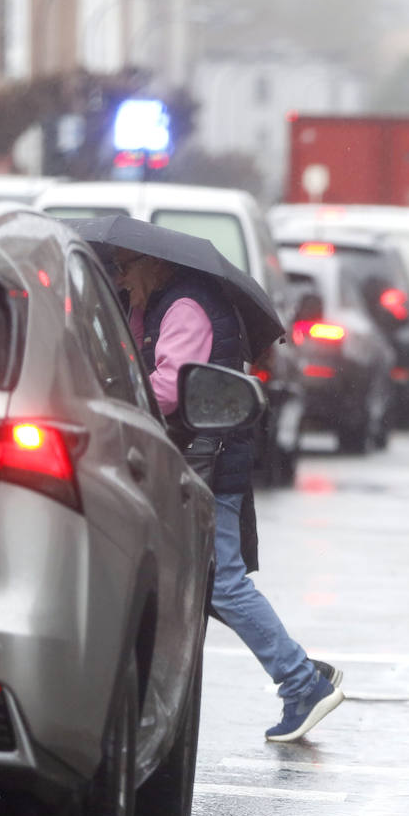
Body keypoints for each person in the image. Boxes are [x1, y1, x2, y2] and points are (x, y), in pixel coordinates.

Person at [111, 246, 345, 742]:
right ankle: (301, 668)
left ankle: (302, 682)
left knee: (222, 583)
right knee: (209, 583)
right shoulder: (156, 304)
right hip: (200, 457)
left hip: (208, 460)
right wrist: (130, 309)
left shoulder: (184, 307)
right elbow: (136, 358)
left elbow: (165, 388)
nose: (120, 276)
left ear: (153, 263)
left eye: (125, 267)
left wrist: (110, 392)